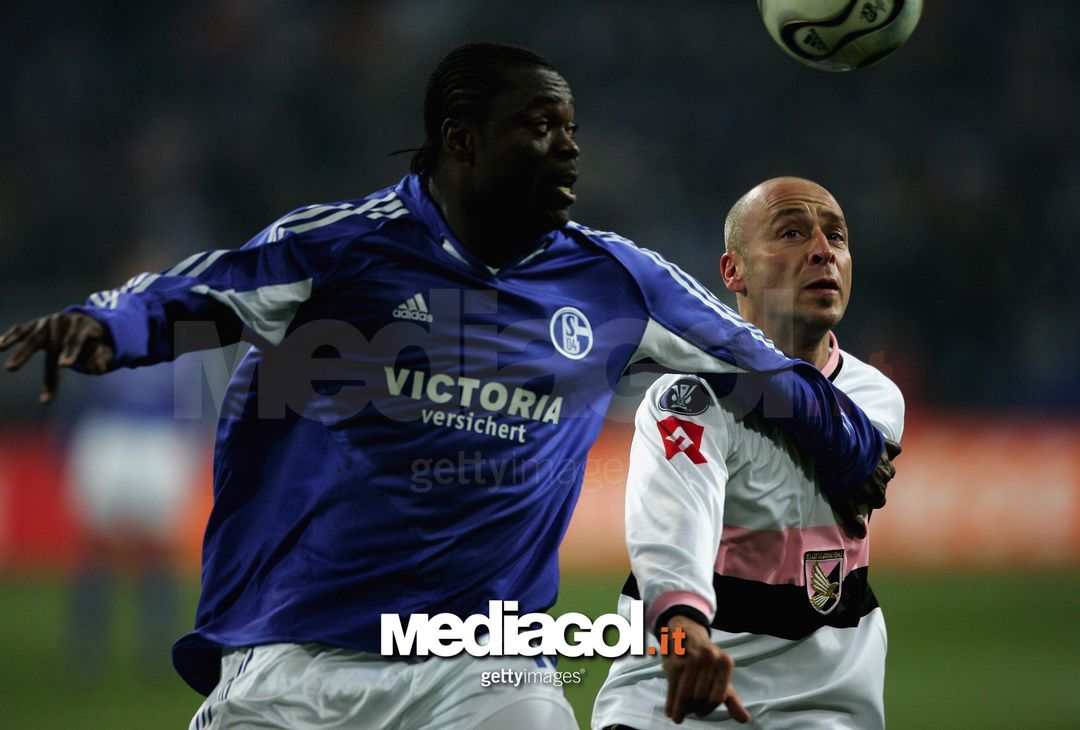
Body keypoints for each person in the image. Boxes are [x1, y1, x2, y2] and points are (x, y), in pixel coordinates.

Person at [1, 44, 891, 730]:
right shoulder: (342, 249)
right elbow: (200, 291)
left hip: (487, 671)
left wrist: (849, 449)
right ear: (462, 140)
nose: (570, 148)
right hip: (294, 662)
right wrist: (104, 327)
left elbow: (765, 370)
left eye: (572, 128)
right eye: (542, 127)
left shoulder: (617, 282)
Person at [591, 176, 905, 730]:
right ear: (733, 271)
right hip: (676, 696)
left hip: (823, 705)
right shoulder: (685, 398)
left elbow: (838, 446)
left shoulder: (874, 394)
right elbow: (670, 530)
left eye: (836, 236)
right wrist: (681, 626)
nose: (821, 251)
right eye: (790, 233)